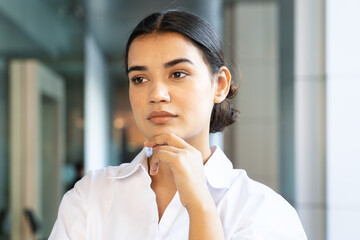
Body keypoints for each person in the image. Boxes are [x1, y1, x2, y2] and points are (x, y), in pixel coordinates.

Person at [49, 10, 307, 239]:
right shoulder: (90, 196)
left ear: (219, 85)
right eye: (139, 78)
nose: (156, 94)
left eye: (178, 74)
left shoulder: (263, 211)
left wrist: (201, 206)